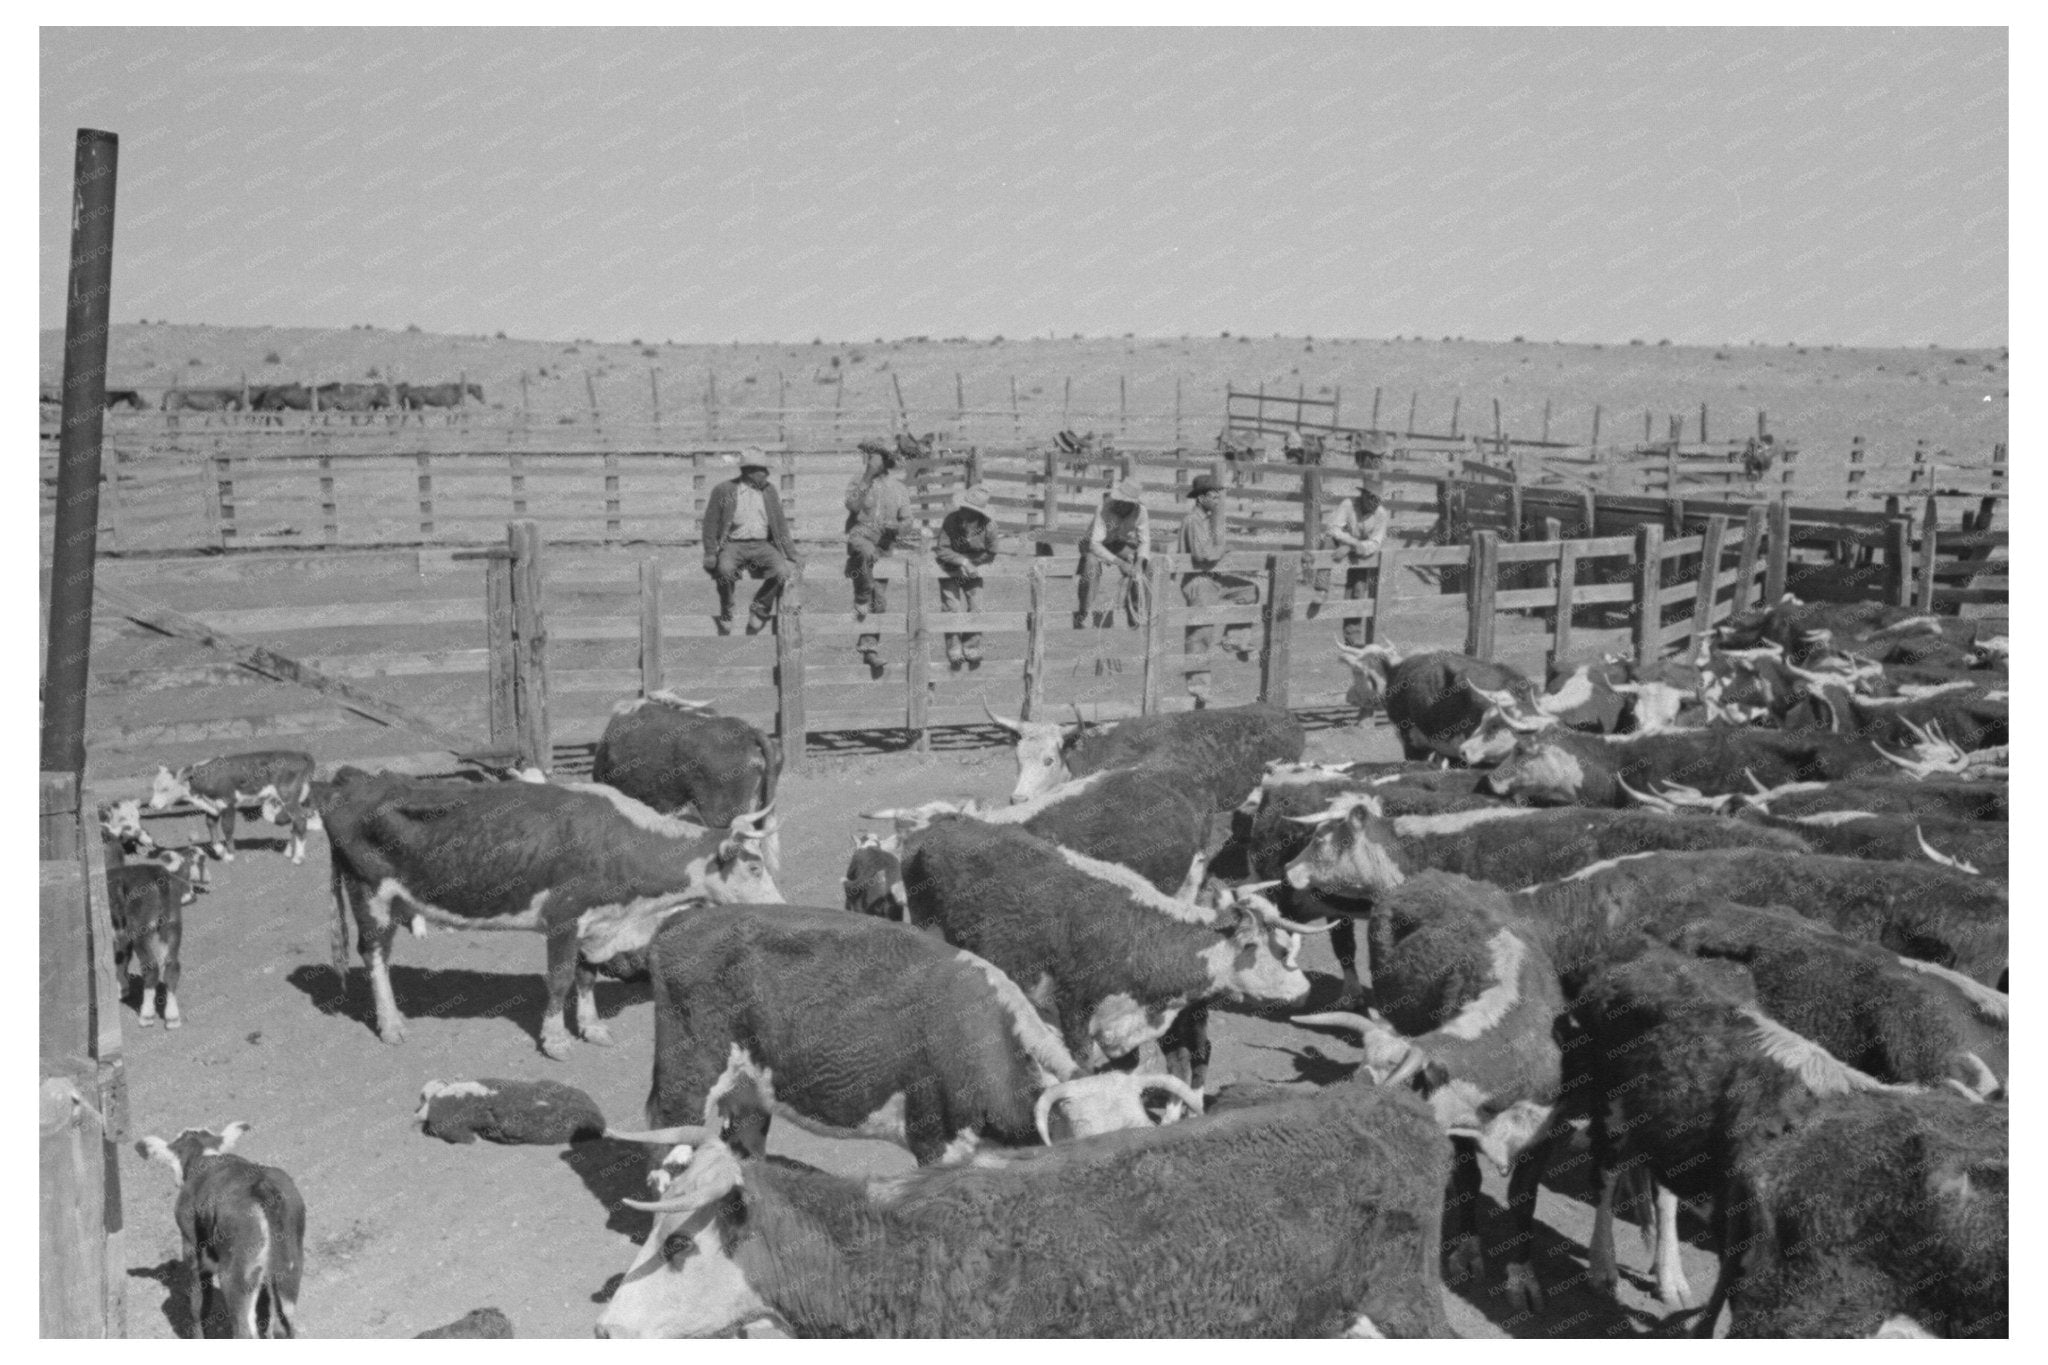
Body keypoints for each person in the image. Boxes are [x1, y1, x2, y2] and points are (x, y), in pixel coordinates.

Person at [1178, 473, 1259, 701]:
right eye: (1212, 497)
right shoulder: (1193, 520)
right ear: (1201, 498)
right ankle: (1198, 684)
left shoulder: (1208, 521)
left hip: (1214, 577)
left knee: (1250, 591)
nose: (1216, 501)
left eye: (1217, 497)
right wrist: (1224, 550)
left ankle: (1234, 638)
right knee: (1201, 630)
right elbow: (1202, 555)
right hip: (1198, 579)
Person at [700, 448, 797, 636]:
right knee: (725, 570)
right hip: (733, 544)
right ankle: (727, 608)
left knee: (782, 572)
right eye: (762, 470)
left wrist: (792, 552)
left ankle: (760, 607)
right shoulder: (724, 490)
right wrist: (710, 552)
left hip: (762, 544)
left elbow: (780, 523)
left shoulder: (769, 491)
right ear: (749, 471)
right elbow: (710, 523)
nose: (766, 473)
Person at [845, 439, 919, 666]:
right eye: (870, 457)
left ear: (886, 461)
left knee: (880, 601)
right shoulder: (859, 481)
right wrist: (867, 476)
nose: (872, 461)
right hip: (860, 539)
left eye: (876, 457)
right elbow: (852, 506)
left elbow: (907, 521)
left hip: (884, 547)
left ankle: (869, 648)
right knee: (866, 555)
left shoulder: (898, 488)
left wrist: (897, 527)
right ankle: (861, 596)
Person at [935, 482, 1000, 669]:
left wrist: (975, 563)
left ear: (979, 513)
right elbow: (942, 549)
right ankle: (954, 648)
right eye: (964, 508)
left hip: (975, 568)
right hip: (949, 568)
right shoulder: (951, 521)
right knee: (951, 606)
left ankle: (972, 646)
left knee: (976, 605)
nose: (965, 513)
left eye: (970, 511)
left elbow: (992, 552)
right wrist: (962, 562)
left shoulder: (989, 526)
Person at [1076, 478, 1151, 628]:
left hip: (1117, 543)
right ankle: (1085, 611)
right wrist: (1121, 563)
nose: (1122, 504)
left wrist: (1138, 562)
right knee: (1091, 565)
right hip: (1092, 543)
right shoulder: (1103, 508)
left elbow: (1145, 540)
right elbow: (1095, 544)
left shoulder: (1140, 511)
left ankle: (1136, 613)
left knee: (1145, 567)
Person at [1328, 476, 1392, 648]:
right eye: (1371, 497)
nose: (1374, 502)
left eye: (1377, 499)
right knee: (1325, 545)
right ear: (1363, 495)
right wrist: (1348, 542)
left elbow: (1375, 543)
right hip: (1342, 543)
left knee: (1357, 590)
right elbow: (1333, 528)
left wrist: (1353, 547)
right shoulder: (1349, 504)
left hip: (1360, 553)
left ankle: (1352, 636)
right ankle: (1321, 587)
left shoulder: (1381, 514)